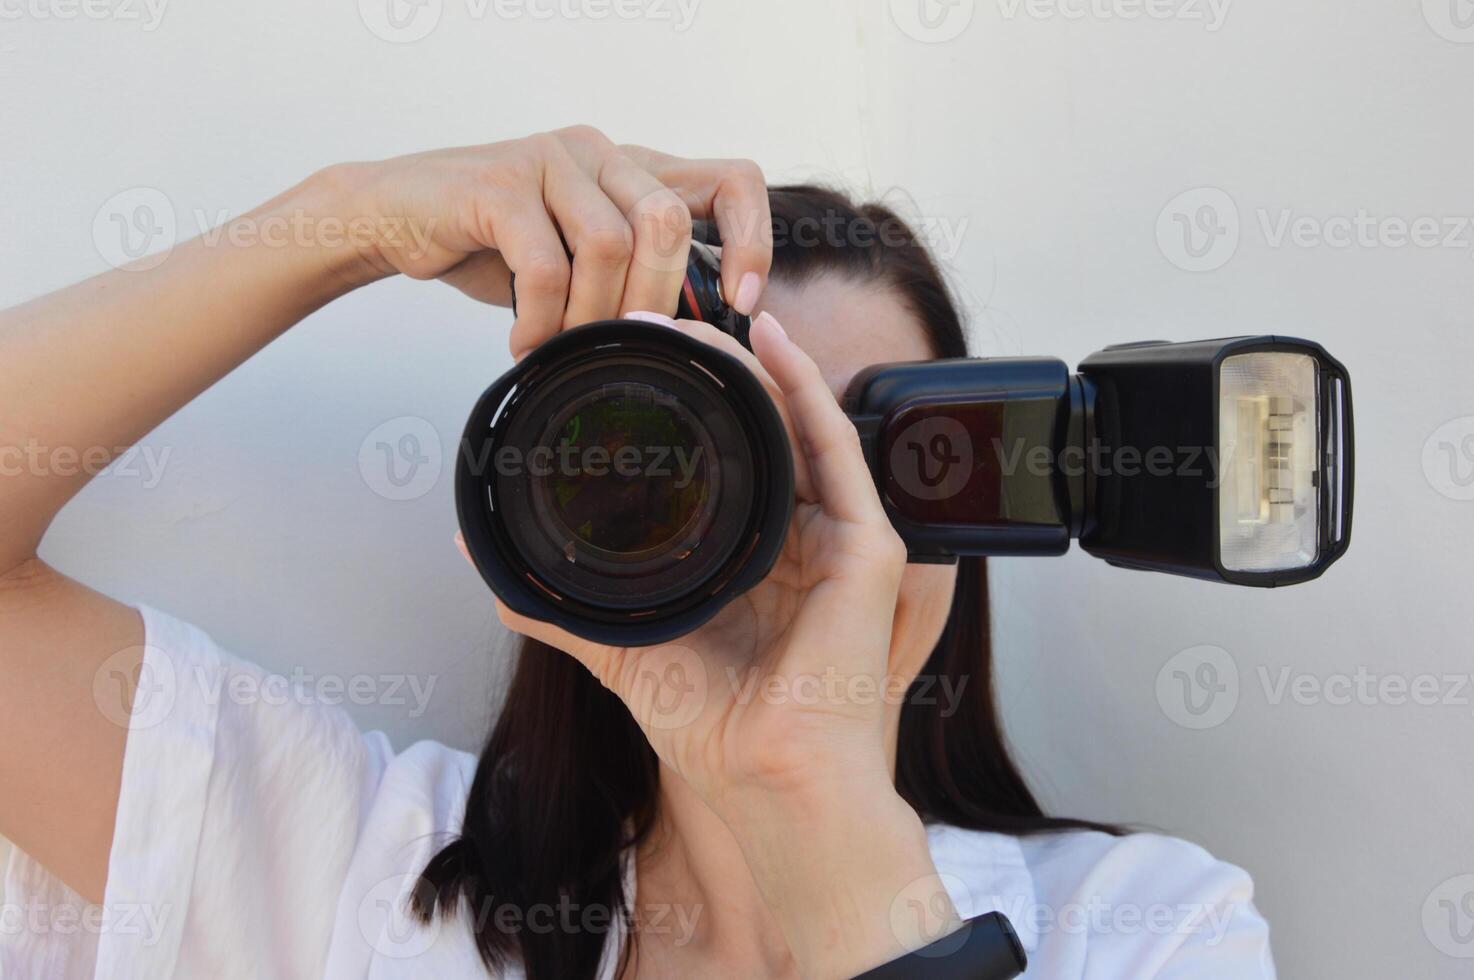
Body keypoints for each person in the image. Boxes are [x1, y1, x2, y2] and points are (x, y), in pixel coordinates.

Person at [0, 126, 1275, 979]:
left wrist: (816, 817)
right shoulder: (369, 880)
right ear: (560, 498)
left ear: (970, 519)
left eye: (879, 456)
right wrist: (346, 219)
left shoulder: (1148, 926)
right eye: (698, 452)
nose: (801, 525)